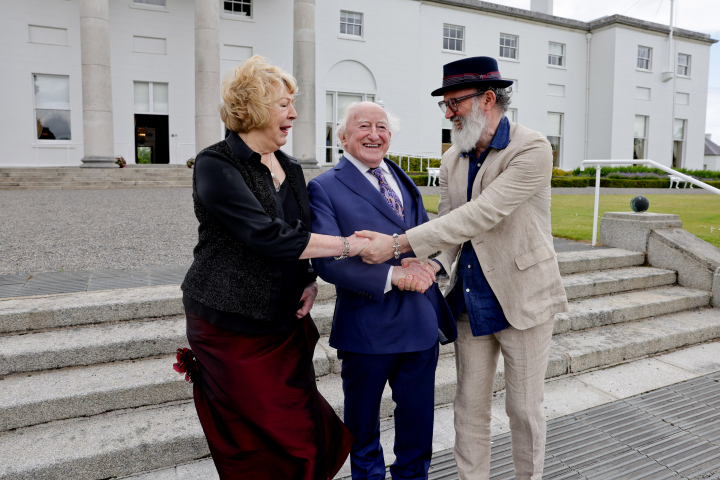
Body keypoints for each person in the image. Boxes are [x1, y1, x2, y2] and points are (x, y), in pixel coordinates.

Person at [356, 57, 569, 480]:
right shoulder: (453, 158)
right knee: (469, 408)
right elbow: (450, 225)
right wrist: (431, 264)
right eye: (445, 105)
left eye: (455, 102)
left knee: (524, 409)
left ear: (488, 99)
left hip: (523, 294)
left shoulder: (532, 147)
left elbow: (483, 214)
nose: (449, 113)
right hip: (470, 300)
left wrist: (398, 244)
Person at [179, 56, 370, 480]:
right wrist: (349, 246)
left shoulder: (292, 167)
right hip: (229, 326)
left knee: (303, 428)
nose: (294, 114)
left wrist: (310, 280)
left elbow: (299, 230)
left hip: (283, 323)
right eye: (284, 104)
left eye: (292, 104)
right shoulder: (216, 164)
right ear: (254, 107)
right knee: (258, 437)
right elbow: (266, 235)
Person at [307, 101, 457, 480]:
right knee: (363, 427)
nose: (374, 134)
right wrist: (392, 278)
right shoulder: (323, 187)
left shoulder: (401, 177)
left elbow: (425, 235)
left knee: (418, 424)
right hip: (367, 328)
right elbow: (327, 260)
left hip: (419, 324)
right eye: (363, 127)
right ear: (342, 136)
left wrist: (429, 264)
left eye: (382, 127)